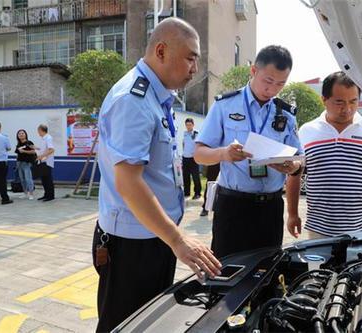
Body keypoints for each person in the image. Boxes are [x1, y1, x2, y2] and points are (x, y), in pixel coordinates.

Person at [93, 17, 221, 332]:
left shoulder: (155, 96)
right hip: (131, 245)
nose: (195, 67)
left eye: (198, 59)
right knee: (123, 324)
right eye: (190, 56)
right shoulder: (133, 100)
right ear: (161, 51)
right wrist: (178, 240)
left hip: (154, 236)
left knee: (150, 323)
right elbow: (129, 182)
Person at [194, 45, 303, 258]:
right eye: (268, 81)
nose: (272, 89)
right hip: (233, 206)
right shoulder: (225, 105)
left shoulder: (286, 114)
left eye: (280, 84)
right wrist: (224, 154)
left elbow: (299, 160)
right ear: (253, 71)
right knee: (226, 273)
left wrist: (292, 166)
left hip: (270, 208)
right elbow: (199, 153)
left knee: (268, 273)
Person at [286, 71, 362, 239]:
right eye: (339, 102)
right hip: (319, 229)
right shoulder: (307, 131)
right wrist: (292, 214)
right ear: (324, 100)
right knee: (321, 267)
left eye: (353, 101)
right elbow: (294, 174)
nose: (347, 109)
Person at [182, 118, 202, 199]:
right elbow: (183, 144)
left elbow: (199, 145)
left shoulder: (196, 133)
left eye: (190, 125)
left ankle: (197, 193)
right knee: (185, 176)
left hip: (193, 158)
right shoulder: (185, 133)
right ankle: (187, 192)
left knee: (195, 176)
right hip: (185, 157)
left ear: (193, 125)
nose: (188, 126)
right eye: (187, 125)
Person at [15, 129, 36, 200]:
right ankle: (25, 193)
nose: (21, 134)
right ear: (17, 136)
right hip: (19, 163)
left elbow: (33, 151)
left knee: (28, 178)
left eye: (22, 133)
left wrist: (24, 151)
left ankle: (31, 194)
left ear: (25, 134)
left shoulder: (29, 142)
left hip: (27, 163)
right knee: (22, 179)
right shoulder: (18, 144)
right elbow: (17, 154)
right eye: (19, 134)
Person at [36, 124, 55, 202]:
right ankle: (46, 194)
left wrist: (42, 156)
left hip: (47, 161)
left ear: (41, 130)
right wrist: (35, 148)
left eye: (38, 131)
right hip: (43, 161)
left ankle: (50, 195)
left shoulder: (48, 138)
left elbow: (51, 150)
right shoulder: (43, 138)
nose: (38, 132)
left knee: (48, 179)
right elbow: (43, 148)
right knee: (43, 179)